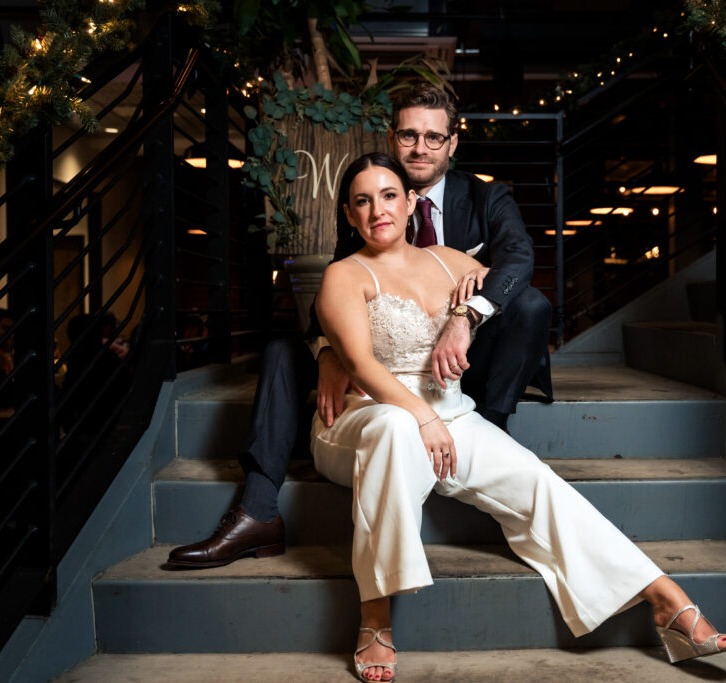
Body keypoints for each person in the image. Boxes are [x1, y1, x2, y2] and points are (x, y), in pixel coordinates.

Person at [312, 153, 726, 682]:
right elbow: (358, 363)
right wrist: (418, 414)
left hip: (452, 414)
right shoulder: (343, 274)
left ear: (411, 202)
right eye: (362, 201)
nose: (378, 209)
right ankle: (375, 614)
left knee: (537, 480)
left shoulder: (448, 260)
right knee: (397, 428)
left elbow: (511, 275)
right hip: (365, 418)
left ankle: (663, 596)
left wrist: (473, 307)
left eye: (389, 195)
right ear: (350, 217)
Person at [167, 83, 553, 569]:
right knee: (285, 351)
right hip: (376, 371)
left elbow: (518, 259)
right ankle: (259, 510)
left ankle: (488, 438)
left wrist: (468, 310)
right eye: (409, 135)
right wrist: (332, 352)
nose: (420, 147)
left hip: (464, 365)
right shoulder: (368, 197)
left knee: (532, 305)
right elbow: (336, 287)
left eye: (434, 138)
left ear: (452, 144)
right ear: (393, 139)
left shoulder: (487, 196)